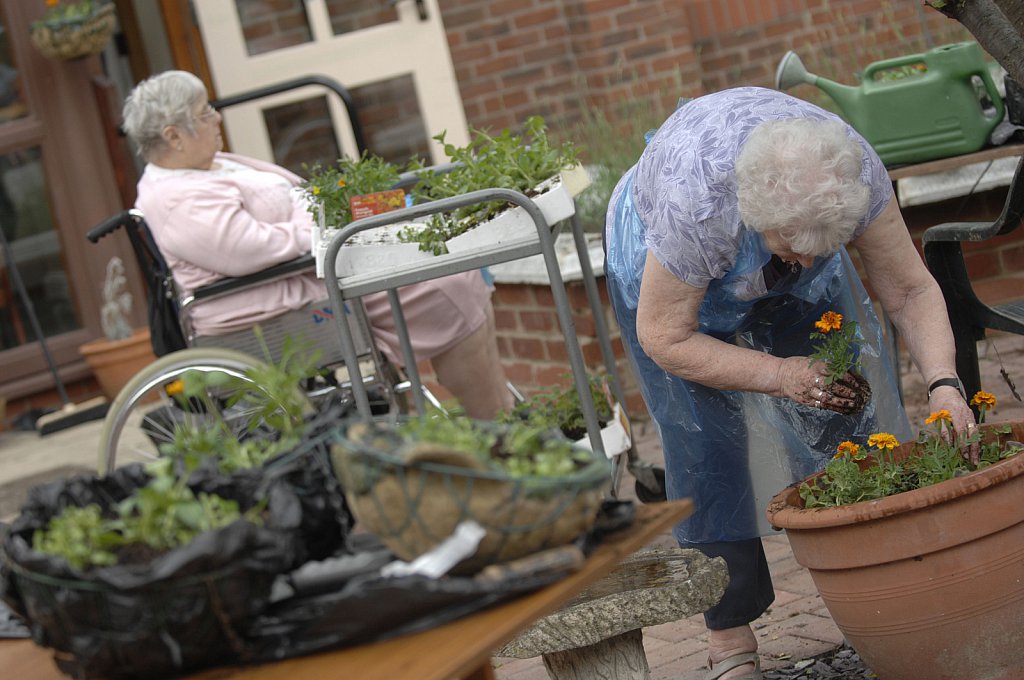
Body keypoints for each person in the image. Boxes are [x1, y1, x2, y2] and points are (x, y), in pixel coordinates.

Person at [603, 87, 977, 680]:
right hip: (662, 268)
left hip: (785, 215)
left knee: (842, 398)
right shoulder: (697, 210)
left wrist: (944, 384)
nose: (802, 267)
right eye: (788, 250)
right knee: (706, 441)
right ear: (758, 218)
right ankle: (730, 636)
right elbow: (665, 337)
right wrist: (780, 375)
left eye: (821, 251)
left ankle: (874, 589)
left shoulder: (852, 175)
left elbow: (909, 288)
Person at [121, 70, 513, 420]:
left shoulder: (206, 165)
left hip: (316, 260)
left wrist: (349, 211)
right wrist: (327, 227)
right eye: (205, 113)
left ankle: (498, 410)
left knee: (440, 244)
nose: (217, 117)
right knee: (442, 279)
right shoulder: (174, 198)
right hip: (283, 293)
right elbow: (251, 249)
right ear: (173, 136)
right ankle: (494, 420)